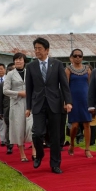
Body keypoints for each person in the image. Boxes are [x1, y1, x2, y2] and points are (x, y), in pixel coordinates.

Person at [25, 37, 72, 174]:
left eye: (40, 48)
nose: (37, 51)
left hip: (55, 104)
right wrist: (28, 107)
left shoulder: (56, 64)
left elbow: (64, 85)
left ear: (47, 50)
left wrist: (68, 102)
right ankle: (39, 155)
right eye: (35, 48)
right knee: (37, 133)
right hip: (38, 104)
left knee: (55, 136)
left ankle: (55, 164)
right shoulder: (31, 66)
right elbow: (29, 88)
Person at [4, 53, 33, 162]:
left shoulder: (29, 72)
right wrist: (19, 93)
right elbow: (5, 90)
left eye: (20, 59)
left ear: (24, 61)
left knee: (31, 127)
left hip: (30, 103)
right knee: (19, 128)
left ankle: (34, 151)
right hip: (16, 104)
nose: (18, 61)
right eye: (16, 60)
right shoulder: (10, 74)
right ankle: (22, 153)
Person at [65, 49, 94, 158]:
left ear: (82, 57)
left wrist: (92, 101)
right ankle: (72, 143)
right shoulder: (68, 70)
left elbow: (91, 86)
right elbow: (65, 87)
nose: (78, 58)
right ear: (71, 57)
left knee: (87, 124)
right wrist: (66, 102)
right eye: (75, 56)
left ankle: (87, 149)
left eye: (80, 56)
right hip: (73, 101)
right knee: (75, 125)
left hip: (86, 100)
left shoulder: (88, 70)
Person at [0, 63, 15, 154]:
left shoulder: (19, 84)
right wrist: (0, 112)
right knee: (9, 127)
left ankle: (20, 143)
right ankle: (9, 145)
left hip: (18, 108)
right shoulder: (1, 85)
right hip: (7, 109)